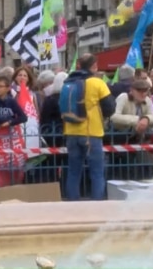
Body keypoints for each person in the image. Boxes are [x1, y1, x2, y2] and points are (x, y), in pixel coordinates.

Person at [62, 54, 115, 201]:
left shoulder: (68, 82)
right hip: (91, 133)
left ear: (79, 65)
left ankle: (73, 203)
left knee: (73, 171)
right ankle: (96, 205)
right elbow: (110, 107)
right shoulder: (97, 83)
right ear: (94, 66)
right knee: (97, 172)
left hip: (71, 132)